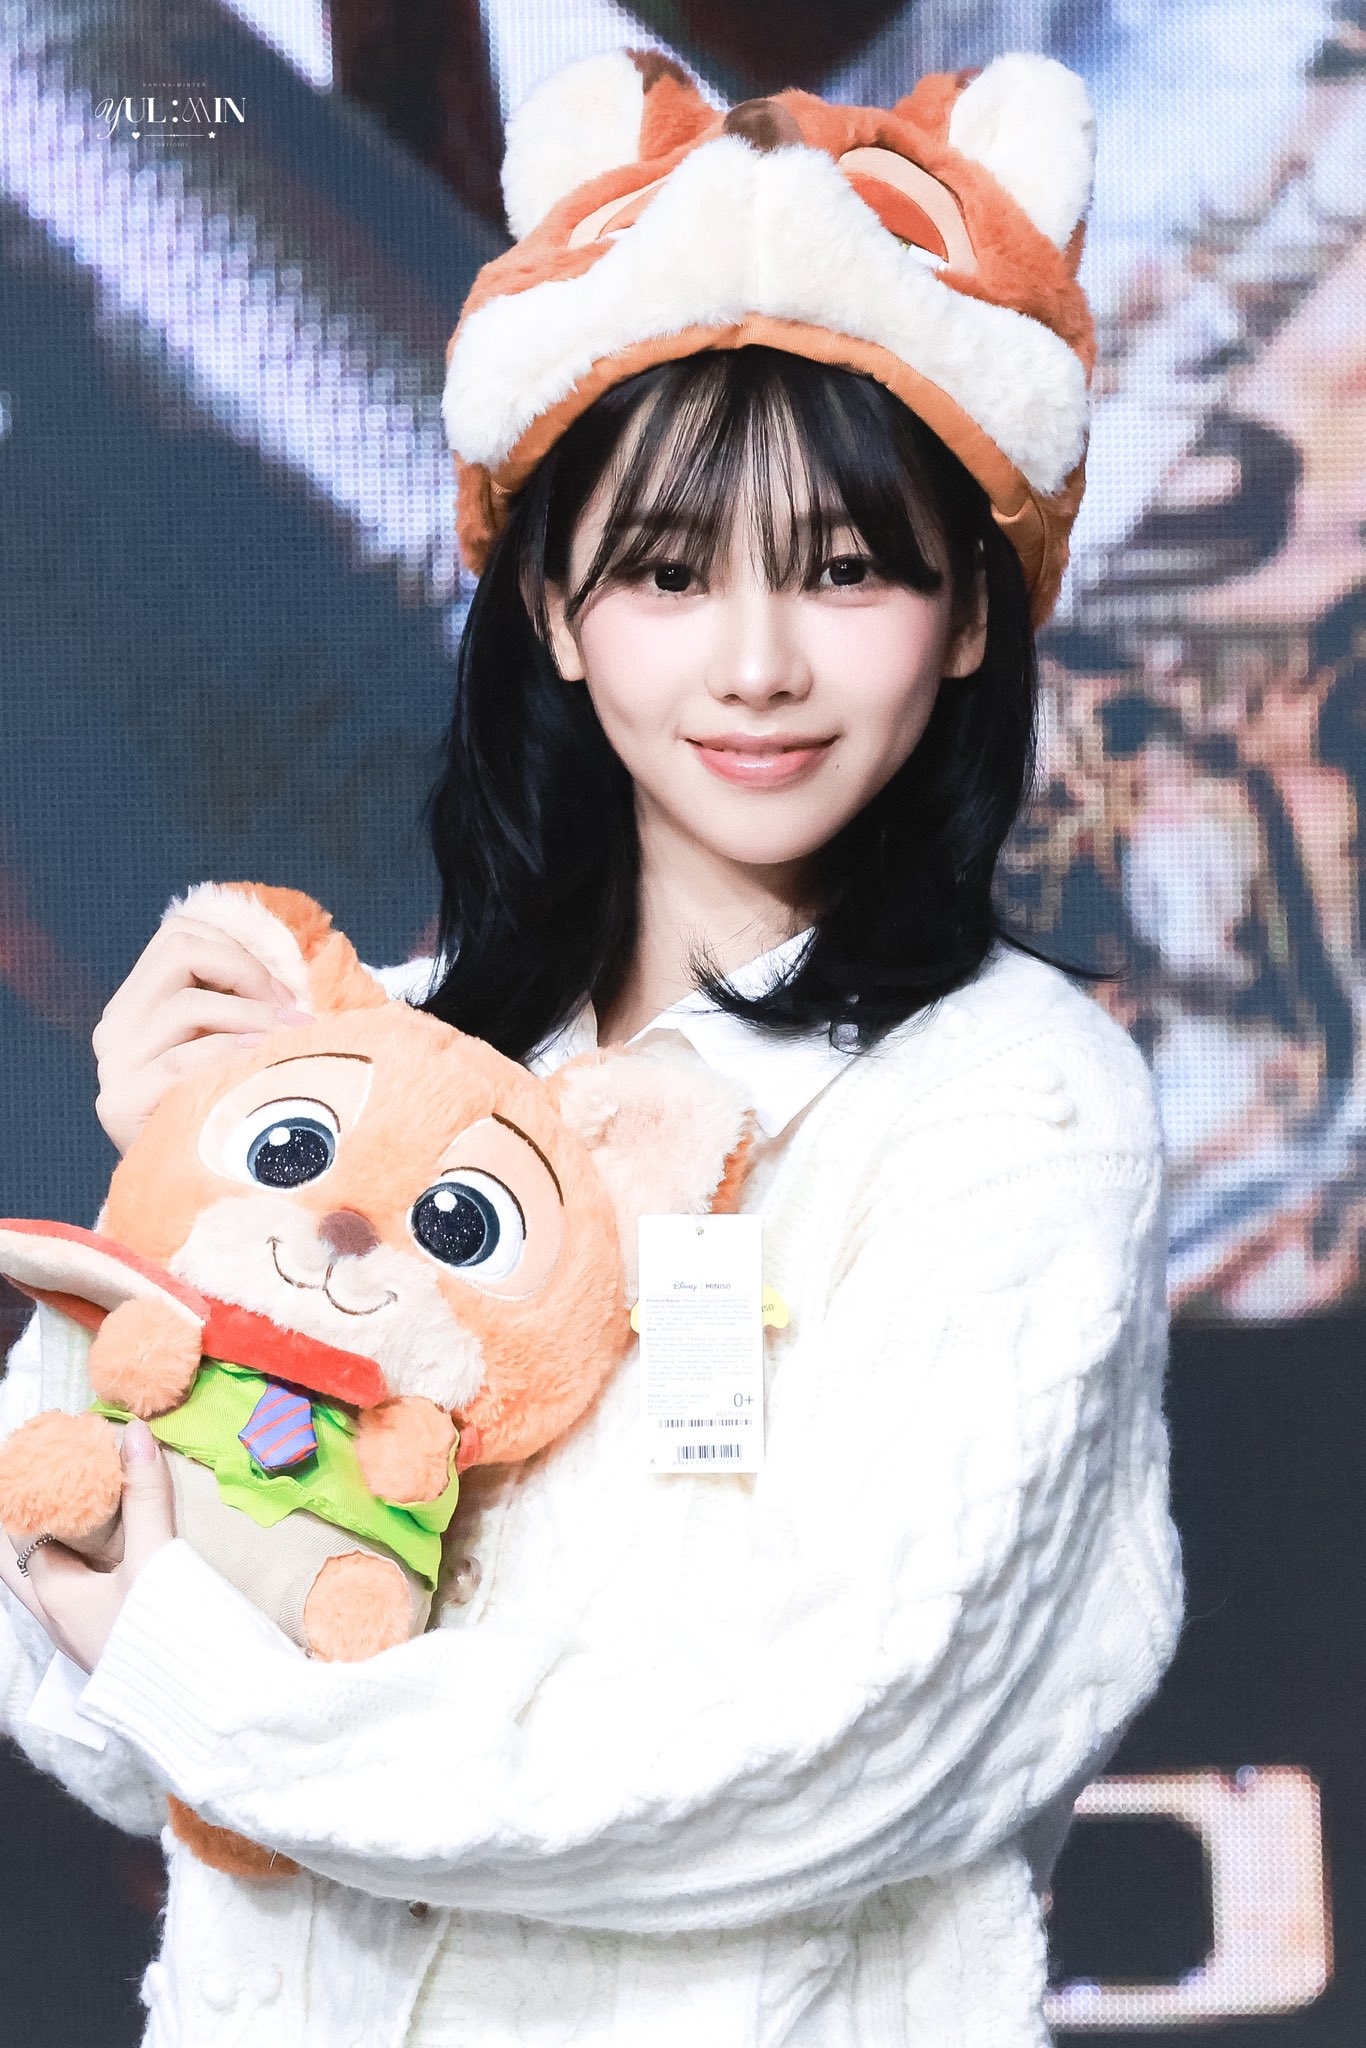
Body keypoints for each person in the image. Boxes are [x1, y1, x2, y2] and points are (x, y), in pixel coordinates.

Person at [0, 49, 1181, 2047]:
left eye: (846, 567)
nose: (753, 662)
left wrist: (208, 1684)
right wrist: (171, 1194)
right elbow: (88, 1705)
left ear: (970, 614)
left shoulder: (1015, 1103)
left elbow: (805, 1757)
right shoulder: (380, 1052)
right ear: (553, 603)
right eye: (665, 568)